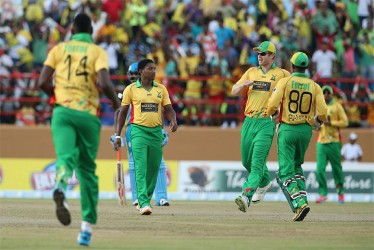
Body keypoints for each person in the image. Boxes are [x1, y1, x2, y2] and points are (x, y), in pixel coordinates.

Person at [38, 13, 120, 246]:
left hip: (62, 112)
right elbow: (104, 83)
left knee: (65, 157)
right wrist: (114, 103)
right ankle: (85, 230)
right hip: (87, 114)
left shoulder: (58, 49)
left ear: (72, 29)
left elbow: (42, 82)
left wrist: (57, 98)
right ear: (91, 30)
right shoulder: (97, 52)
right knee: (87, 171)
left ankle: (61, 185)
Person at [267, 52, 328, 221]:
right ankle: (304, 201)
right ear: (306, 67)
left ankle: (300, 203)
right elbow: (323, 112)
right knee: (297, 166)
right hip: (305, 131)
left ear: (292, 66)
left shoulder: (285, 82)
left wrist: (273, 115)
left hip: (287, 129)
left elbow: (272, 104)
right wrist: (317, 123)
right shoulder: (314, 86)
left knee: (285, 171)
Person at [231, 41, 290, 213]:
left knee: (256, 164)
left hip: (267, 122)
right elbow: (234, 90)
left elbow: (292, 89)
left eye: (263, 54)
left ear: (272, 56)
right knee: (246, 161)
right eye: (258, 53)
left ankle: (245, 196)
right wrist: (242, 85)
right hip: (249, 120)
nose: (260, 56)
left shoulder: (281, 74)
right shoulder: (251, 72)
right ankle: (264, 183)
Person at [113, 58, 178, 215]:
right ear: (141, 71)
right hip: (138, 131)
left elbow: (169, 108)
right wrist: (117, 135)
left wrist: (173, 120)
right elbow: (122, 114)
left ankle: (145, 199)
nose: (154, 71)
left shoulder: (161, 89)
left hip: (156, 132)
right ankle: (143, 202)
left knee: (154, 168)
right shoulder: (131, 89)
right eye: (150, 68)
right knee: (140, 166)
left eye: (155, 68)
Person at [315, 85, 348, 204]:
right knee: (319, 169)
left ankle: (340, 192)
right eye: (324, 92)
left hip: (334, 141)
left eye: (328, 93)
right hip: (321, 142)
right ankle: (323, 194)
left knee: (337, 169)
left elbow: (345, 122)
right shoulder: (319, 105)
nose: (326, 95)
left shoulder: (337, 105)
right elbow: (315, 122)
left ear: (332, 94)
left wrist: (331, 123)